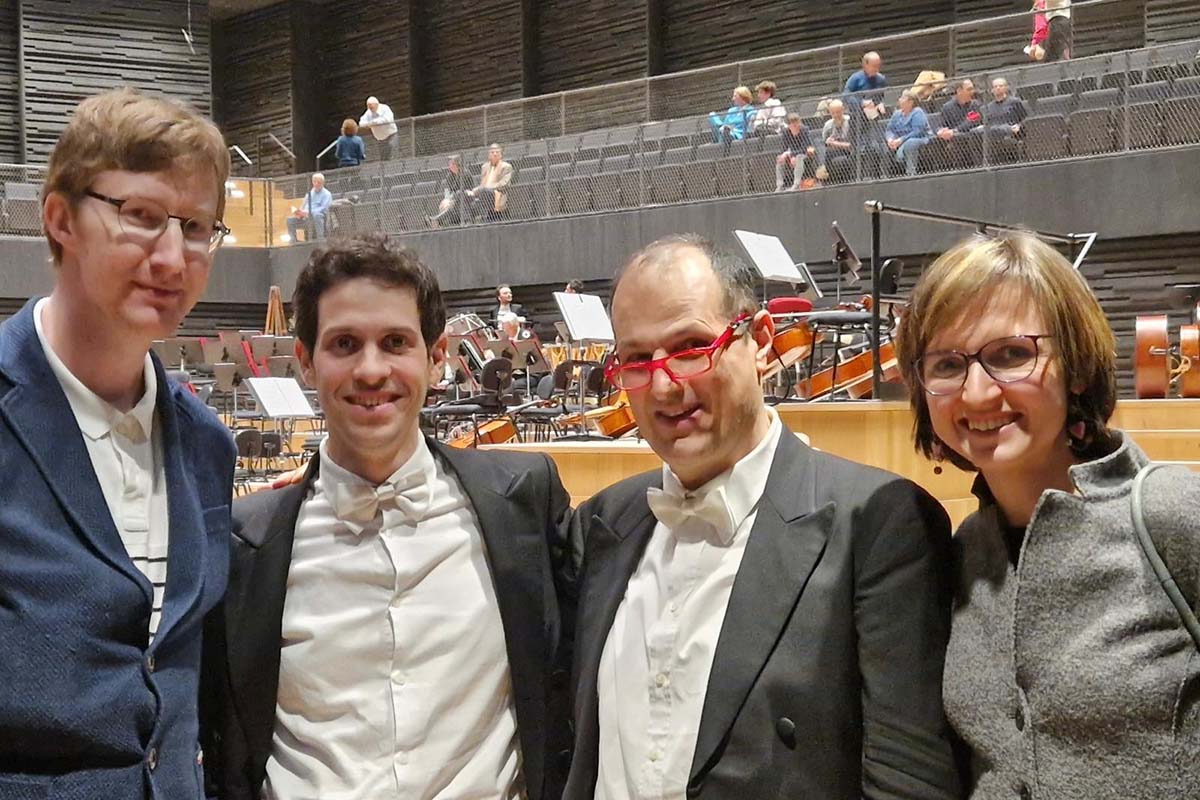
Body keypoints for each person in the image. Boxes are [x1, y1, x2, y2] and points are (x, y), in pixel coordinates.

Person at [563, 234, 960, 800]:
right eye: (637, 361)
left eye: (691, 347)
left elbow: (908, 781)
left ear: (761, 340)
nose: (664, 385)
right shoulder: (604, 521)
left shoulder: (879, 524)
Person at [201, 233, 574, 800]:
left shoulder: (524, 503)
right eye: (344, 344)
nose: (371, 370)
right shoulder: (242, 542)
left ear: (437, 356)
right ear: (305, 362)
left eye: (395, 342)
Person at [894, 230, 1200, 798]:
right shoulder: (960, 554)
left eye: (1012, 354)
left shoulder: (1172, 514)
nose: (977, 393)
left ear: (1075, 367)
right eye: (947, 364)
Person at [0, 88, 235, 798]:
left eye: (196, 228)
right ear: (60, 218)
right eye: (141, 216)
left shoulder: (207, 445)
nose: (173, 258)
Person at [935, 79, 984, 168]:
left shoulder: (976, 105)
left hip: (971, 136)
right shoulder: (947, 107)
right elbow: (941, 124)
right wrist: (941, 131)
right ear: (959, 91)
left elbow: (972, 121)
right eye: (969, 89)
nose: (972, 92)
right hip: (953, 138)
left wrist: (955, 131)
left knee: (960, 138)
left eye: (972, 89)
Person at [886, 90, 933, 176]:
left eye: (903, 98)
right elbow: (890, 130)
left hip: (920, 138)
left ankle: (911, 173)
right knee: (884, 146)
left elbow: (917, 131)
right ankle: (886, 175)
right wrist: (890, 139)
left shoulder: (918, 112)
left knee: (910, 143)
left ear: (910, 102)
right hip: (899, 141)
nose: (899, 99)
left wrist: (901, 140)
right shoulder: (896, 114)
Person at [982, 78, 1029, 163]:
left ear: (1006, 88)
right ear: (992, 90)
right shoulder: (988, 107)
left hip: (1010, 133)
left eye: (1000, 86)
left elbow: (1024, 118)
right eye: (995, 86)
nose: (998, 88)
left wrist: (1018, 126)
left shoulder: (1014, 102)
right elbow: (987, 123)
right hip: (994, 134)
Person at [466, 143, 513, 221]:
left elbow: (504, 184)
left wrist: (487, 187)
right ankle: (466, 221)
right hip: (484, 193)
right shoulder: (485, 167)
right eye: (492, 152)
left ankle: (484, 218)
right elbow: (482, 184)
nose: (495, 154)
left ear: (501, 155)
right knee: (463, 194)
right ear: (489, 155)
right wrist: (475, 190)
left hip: (497, 193)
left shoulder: (506, 167)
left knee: (484, 191)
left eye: (497, 152)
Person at [427, 154, 473, 228]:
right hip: (455, 199)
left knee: (458, 195)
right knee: (447, 204)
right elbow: (447, 189)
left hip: (467, 196)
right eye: (450, 164)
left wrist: (451, 198)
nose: (450, 166)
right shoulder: (449, 175)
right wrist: (447, 199)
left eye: (452, 163)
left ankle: (437, 220)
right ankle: (438, 222)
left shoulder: (465, 173)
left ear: (457, 164)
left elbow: (463, 189)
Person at [774, 112, 816, 191]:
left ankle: (796, 184)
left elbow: (804, 148)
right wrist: (785, 155)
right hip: (792, 154)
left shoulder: (804, 130)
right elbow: (783, 148)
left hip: (804, 154)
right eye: (792, 124)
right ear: (789, 125)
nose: (795, 125)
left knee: (798, 157)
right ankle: (779, 185)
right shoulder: (786, 132)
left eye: (796, 123)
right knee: (779, 158)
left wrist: (792, 154)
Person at [286, 172, 332, 244]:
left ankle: (320, 239)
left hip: (317, 216)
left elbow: (324, 208)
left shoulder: (327, 194)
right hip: (305, 217)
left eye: (318, 182)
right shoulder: (310, 193)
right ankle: (293, 241)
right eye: (314, 182)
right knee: (290, 220)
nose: (316, 184)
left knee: (317, 215)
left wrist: (310, 212)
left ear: (323, 183)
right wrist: (299, 212)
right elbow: (303, 205)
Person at [821, 98, 854, 181]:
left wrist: (835, 144)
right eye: (833, 113)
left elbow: (853, 145)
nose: (835, 115)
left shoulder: (850, 121)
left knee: (842, 160)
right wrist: (828, 141)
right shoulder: (828, 125)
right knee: (828, 154)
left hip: (849, 152)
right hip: (833, 152)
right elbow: (825, 143)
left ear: (843, 110)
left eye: (838, 112)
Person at [359, 95, 398, 161]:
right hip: (380, 139)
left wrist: (376, 122)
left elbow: (389, 119)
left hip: (391, 136)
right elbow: (361, 123)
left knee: (393, 155)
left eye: (372, 107)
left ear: (377, 104)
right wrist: (368, 124)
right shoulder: (368, 112)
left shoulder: (385, 108)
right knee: (383, 158)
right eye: (369, 107)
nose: (371, 109)